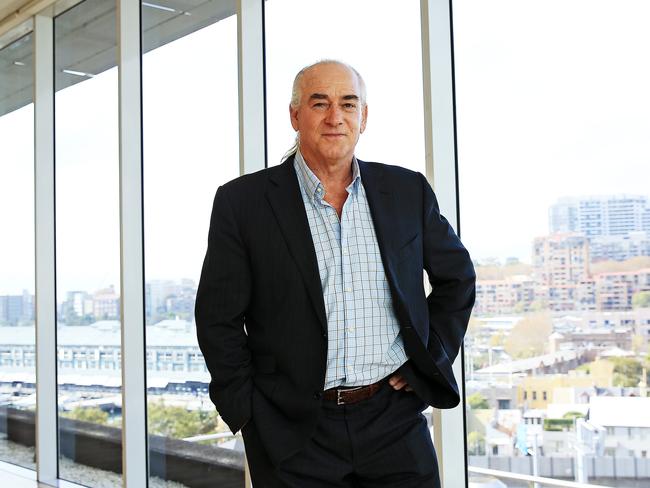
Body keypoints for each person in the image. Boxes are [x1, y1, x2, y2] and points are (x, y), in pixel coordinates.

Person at [195, 60, 476, 488]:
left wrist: (429, 359)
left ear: (364, 116)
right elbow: (218, 318)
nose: (335, 116)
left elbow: (457, 279)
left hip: (393, 420)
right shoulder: (243, 202)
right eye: (319, 103)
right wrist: (247, 412)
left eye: (348, 103)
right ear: (295, 116)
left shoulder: (406, 191)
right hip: (293, 431)